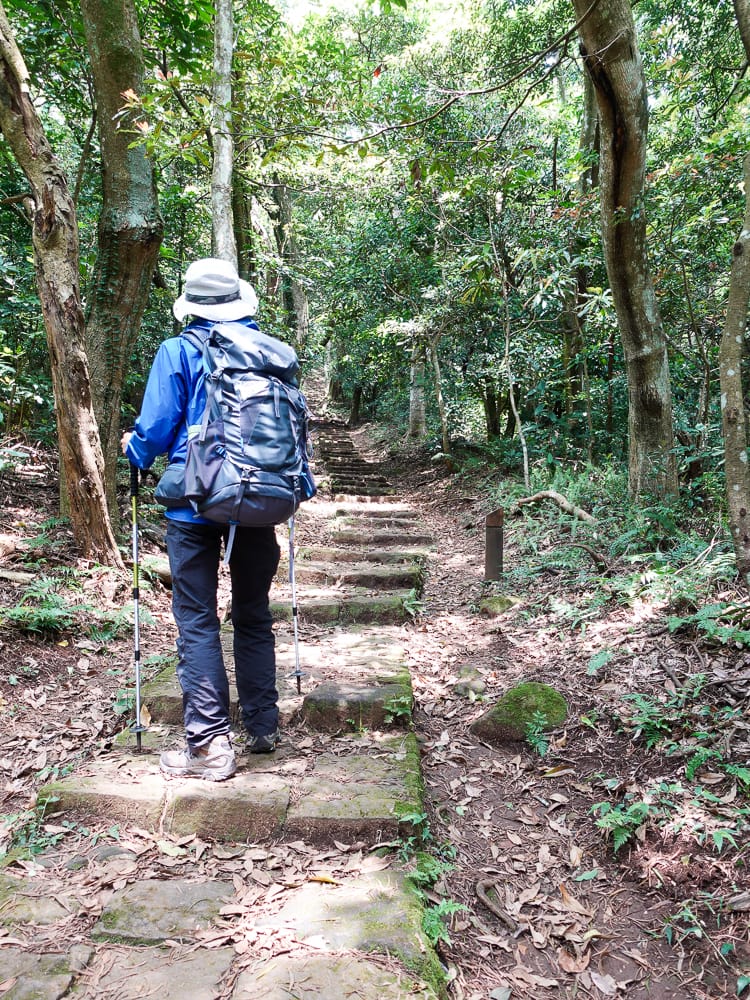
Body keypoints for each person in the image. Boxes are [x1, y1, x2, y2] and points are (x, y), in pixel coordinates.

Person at [121, 258, 281, 781]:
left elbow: (156, 430)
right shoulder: (267, 352)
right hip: (257, 500)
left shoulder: (178, 350)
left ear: (191, 305)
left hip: (192, 507)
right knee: (254, 614)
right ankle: (262, 725)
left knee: (197, 619)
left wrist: (135, 450)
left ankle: (210, 746)